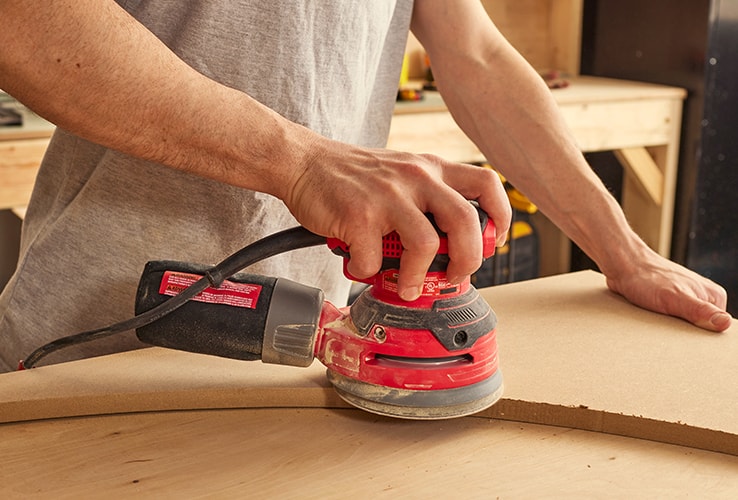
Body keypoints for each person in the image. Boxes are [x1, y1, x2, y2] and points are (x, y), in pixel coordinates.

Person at [0, 1, 730, 372]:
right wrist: (302, 161)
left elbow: (472, 51)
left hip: (302, 341)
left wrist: (623, 250)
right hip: (98, 334)